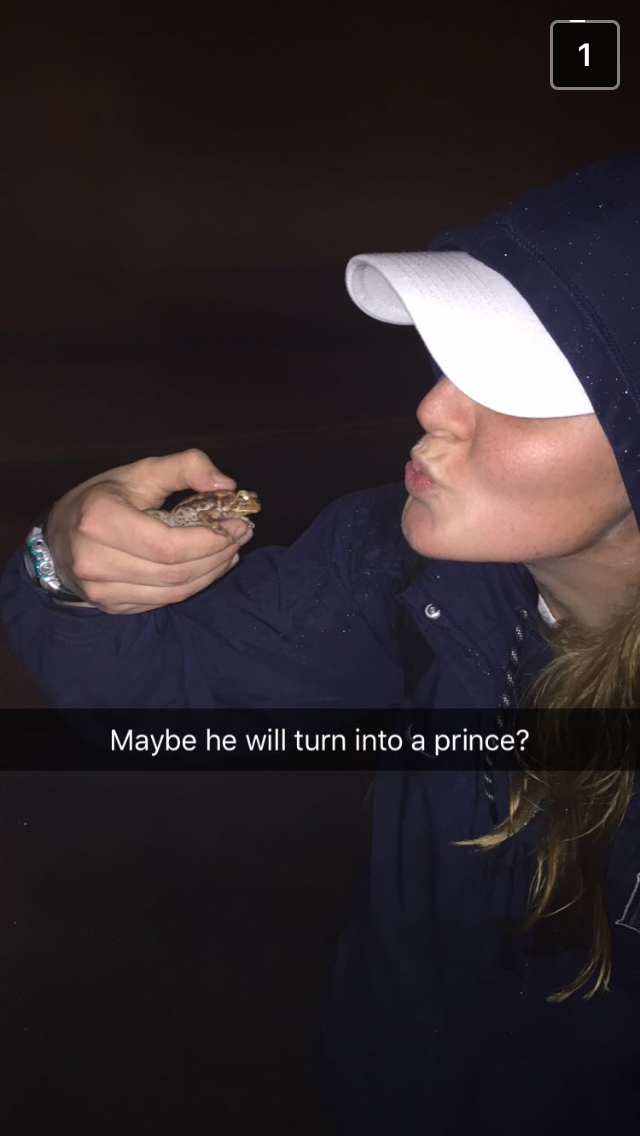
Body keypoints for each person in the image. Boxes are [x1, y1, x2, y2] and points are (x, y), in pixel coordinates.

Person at [2, 153, 640, 1134]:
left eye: (514, 385)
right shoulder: (397, 565)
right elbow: (162, 711)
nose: (433, 406)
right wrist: (67, 565)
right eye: (453, 357)